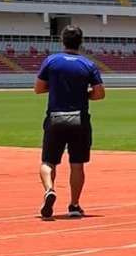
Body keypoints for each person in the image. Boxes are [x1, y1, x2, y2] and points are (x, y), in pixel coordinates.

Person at [34, 24, 105, 220]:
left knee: (48, 161)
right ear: (80, 42)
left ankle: (49, 189)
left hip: (56, 117)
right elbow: (99, 94)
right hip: (79, 118)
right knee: (77, 164)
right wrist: (83, 93)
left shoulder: (51, 61)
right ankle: (74, 204)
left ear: (62, 41)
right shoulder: (88, 64)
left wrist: (56, 88)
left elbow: (38, 88)